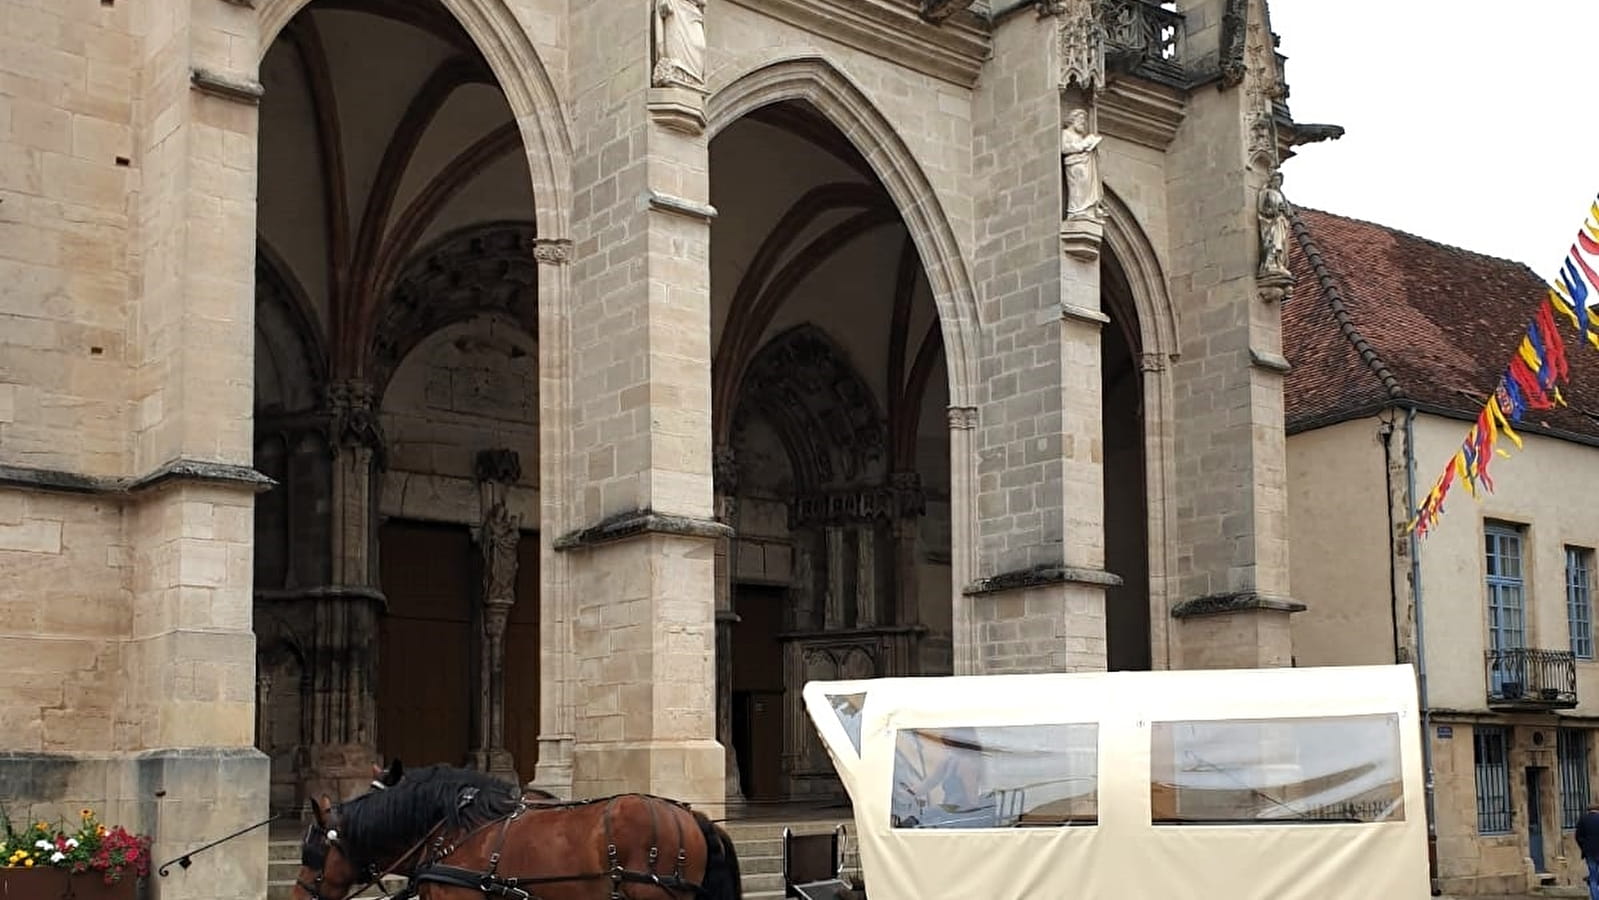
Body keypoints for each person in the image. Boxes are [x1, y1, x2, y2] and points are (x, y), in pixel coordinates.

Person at [1579, 801, 1599, 900]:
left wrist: (1583, 847)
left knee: (1593, 876)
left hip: (1589, 852)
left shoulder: (1583, 820)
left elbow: (1578, 836)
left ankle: (1596, 898)